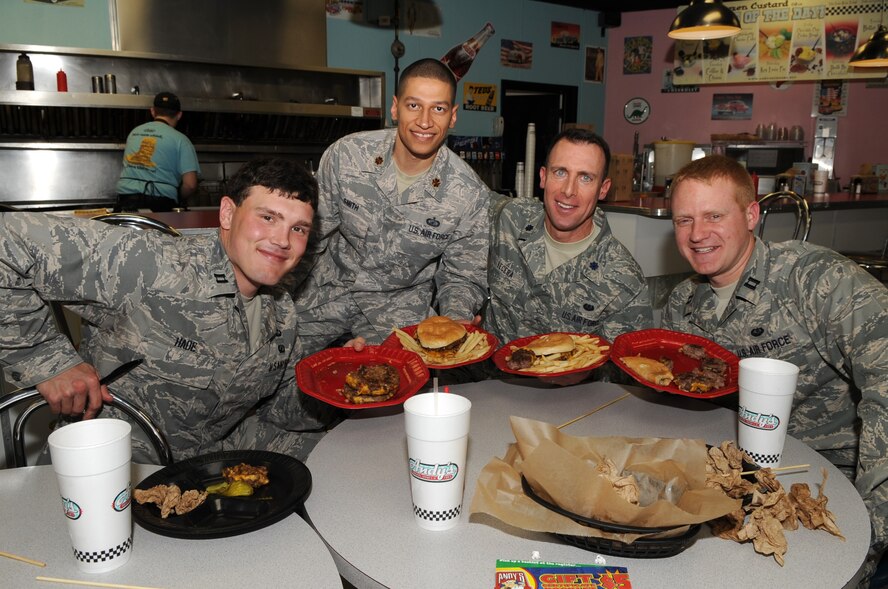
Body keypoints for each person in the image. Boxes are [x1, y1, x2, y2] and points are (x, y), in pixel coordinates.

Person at [0, 158, 340, 463]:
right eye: (268, 217)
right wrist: (47, 361)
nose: (283, 240)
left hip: (206, 462)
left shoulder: (282, 313)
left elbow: (280, 412)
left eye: (298, 229)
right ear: (227, 213)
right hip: (113, 464)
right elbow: (7, 242)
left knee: (335, 468)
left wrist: (339, 379)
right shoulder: (154, 263)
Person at [661, 154, 888, 585]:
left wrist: (872, 523)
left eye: (713, 215)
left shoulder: (815, 279)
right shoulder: (682, 305)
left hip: (828, 480)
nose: (697, 234)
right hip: (733, 480)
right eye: (683, 220)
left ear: (751, 215)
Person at [291, 58, 491, 352]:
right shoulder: (348, 156)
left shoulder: (469, 195)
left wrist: (454, 318)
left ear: (453, 116)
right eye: (414, 105)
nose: (425, 121)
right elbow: (309, 238)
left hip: (396, 315)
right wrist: (276, 300)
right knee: (281, 374)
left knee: (400, 391)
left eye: (438, 108)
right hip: (322, 295)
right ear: (395, 108)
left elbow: (462, 275)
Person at [485, 127, 652, 348]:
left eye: (585, 178)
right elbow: (460, 193)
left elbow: (629, 364)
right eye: (560, 172)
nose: (568, 190)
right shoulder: (509, 218)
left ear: (603, 189)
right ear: (543, 177)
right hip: (491, 379)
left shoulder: (624, 279)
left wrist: (584, 374)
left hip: (576, 384)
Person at [115, 91, 200, 212]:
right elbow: (190, 185)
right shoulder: (181, 140)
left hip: (126, 201)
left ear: (153, 111)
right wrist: (178, 196)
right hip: (161, 204)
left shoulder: (134, 132)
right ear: (179, 115)